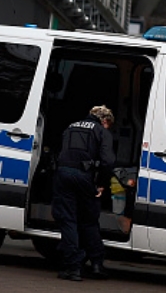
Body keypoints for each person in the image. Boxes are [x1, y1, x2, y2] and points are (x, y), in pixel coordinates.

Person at [52, 105, 116, 281]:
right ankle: (96, 264)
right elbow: (108, 161)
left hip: (63, 174)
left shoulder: (70, 126)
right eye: (108, 124)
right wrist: (102, 184)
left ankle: (72, 267)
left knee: (68, 221)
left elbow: (60, 150)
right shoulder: (102, 132)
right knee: (88, 221)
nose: (108, 128)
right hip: (85, 178)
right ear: (104, 120)